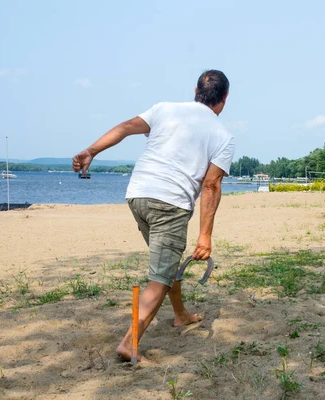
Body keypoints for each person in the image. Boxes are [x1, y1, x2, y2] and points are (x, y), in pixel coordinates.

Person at [72, 70, 235, 362]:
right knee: (159, 278)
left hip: (137, 195)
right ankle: (129, 343)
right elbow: (211, 185)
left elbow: (124, 127)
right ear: (223, 100)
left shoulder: (164, 109)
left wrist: (90, 151)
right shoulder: (223, 135)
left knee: (166, 262)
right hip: (169, 205)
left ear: (195, 90)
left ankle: (181, 314)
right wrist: (205, 236)